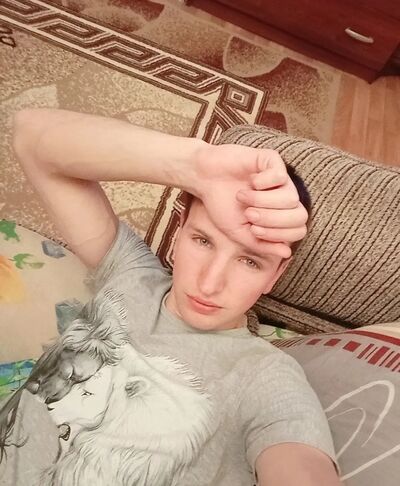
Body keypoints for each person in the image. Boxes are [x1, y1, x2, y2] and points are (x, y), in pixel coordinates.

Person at [0, 109, 342, 485]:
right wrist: (197, 165)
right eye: (203, 240)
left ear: (275, 275)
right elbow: (31, 134)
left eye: (250, 261)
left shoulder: (265, 376)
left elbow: (301, 467)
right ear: (178, 233)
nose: (210, 283)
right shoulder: (129, 270)